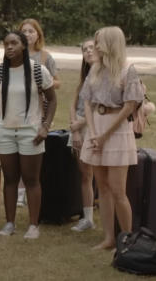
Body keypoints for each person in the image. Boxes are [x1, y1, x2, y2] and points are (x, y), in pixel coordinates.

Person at [0, 31, 57, 239]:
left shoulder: (37, 70)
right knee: (10, 179)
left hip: (30, 133)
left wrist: (45, 126)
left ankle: (33, 225)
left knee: (31, 179)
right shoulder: (0, 71)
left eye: (14, 43)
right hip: (5, 132)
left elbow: (52, 100)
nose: (9, 47)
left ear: (24, 46)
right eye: (6, 44)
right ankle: (9, 224)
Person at [78, 26, 143, 250]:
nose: (95, 46)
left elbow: (129, 106)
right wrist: (94, 133)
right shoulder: (95, 69)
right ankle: (109, 238)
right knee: (102, 188)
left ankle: (127, 241)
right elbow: (87, 101)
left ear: (111, 43)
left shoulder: (128, 70)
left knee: (118, 191)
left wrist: (105, 134)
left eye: (99, 41)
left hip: (116, 131)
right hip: (96, 127)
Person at [17, 18, 59, 207]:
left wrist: (41, 85)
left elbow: (57, 82)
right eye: (24, 31)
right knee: (16, 149)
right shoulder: (14, 54)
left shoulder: (45, 57)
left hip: (39, 110)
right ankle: (19, 192)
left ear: (38, 34)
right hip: (16, 109)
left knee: (32, 151)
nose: (27, 34)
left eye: (31, 31)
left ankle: (32, 189)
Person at [70, 38, 96, 232]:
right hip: (79, 128)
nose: (87, 51)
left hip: (96, 127)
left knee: (101, 176)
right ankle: (88, 218)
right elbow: (72, 104)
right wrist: (75, 128)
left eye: (91, 48)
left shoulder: (105, 76)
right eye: (84, 49)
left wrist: (81, 123)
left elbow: (103, 108)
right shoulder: (84, 78)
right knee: (85, 174)